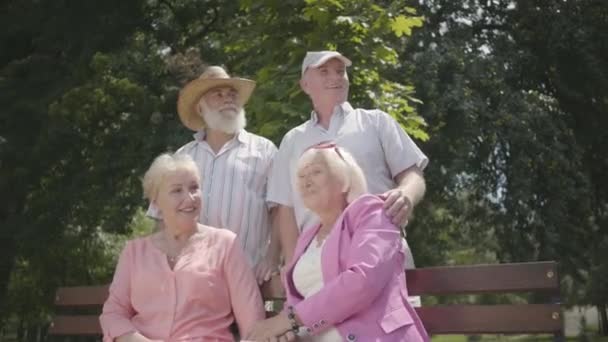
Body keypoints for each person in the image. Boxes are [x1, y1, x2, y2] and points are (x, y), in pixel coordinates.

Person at [248, 145, 429, 341]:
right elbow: (297, 303)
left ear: (345, 181)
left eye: (316, 172)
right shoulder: (307, 237)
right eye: (300, 177)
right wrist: (285, 331)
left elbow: (362, 281)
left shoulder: (371, 213)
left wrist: (290, 320)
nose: (306, 182)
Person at [268, 50, 428, 270]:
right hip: (316, 261)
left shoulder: (377, 122)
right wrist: (292, 263)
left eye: (340, 71)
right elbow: (285, 209)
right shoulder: (291, 141)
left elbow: (413, 175)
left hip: (381, 249)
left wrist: (407, 194)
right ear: (305, 85)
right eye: (324, 72)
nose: (335, 77)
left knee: (394, 306)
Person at [100, 153, 265, 341]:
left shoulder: (225, 245)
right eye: (177, 190)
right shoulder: (134, 252)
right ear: (155, 202)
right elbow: (113, 313)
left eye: (194, 188)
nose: (189, 197)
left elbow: (251, 318)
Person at [149, 65, 280, 284]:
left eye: (231, 94)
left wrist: (272, 258)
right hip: (191, 281)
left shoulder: (265, 151)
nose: (227, 99)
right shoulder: (183, 157)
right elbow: (163, 218)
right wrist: (164, 267)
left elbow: (280, 211)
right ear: (200, 108)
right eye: (217, 94)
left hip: (249, 278)